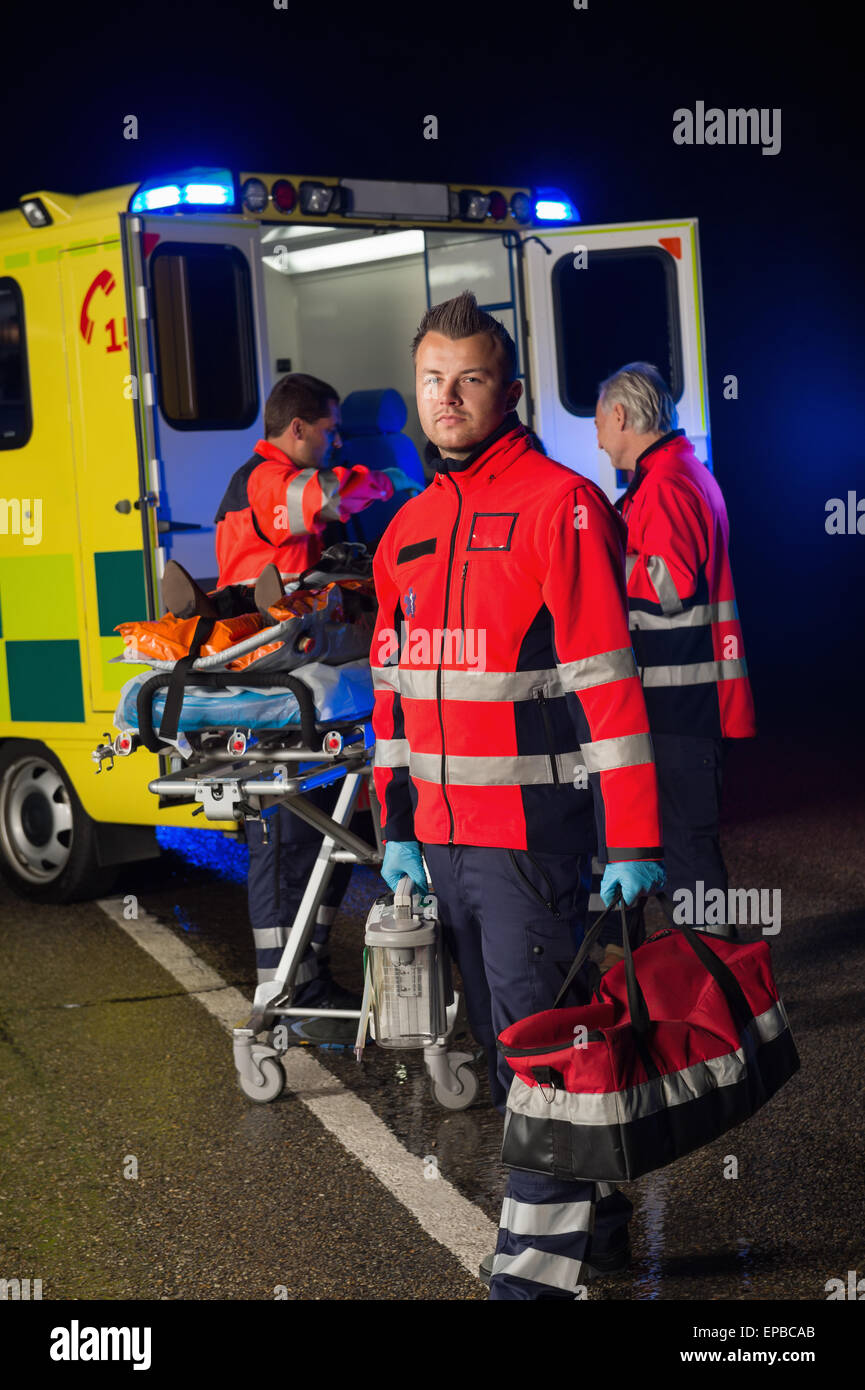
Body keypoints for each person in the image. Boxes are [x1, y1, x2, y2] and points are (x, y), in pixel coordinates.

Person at [370, 291, 666, 1300]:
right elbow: (391, 689)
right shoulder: (404, 529)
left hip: (531, 840)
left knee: (537, 1060)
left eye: (471, 379)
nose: (447, 398)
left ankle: (532, 1283)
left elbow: (608, 688)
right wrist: (395, 824)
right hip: (442, 845)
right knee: (515, 1061)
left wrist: (630, 837)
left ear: (510, 391)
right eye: (431, 379)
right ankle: (606, 1216)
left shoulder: (559, 504)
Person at [163, 373, 411, 1015]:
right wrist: (385, 480)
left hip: (292, 669)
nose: (332, 443)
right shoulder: (265, 478)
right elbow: (321, 498)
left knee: (326, 830)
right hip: (265, 672)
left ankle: (311, 973)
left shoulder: (262, 479)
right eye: (327, 432)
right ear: (296, 428)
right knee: (284, 837)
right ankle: (279, 988)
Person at [594, 362, 756, 945]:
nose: (597, 436)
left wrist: (598, 566)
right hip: (683, 703)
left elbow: (670, 585)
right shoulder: (671, 473)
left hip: (682, 706)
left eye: (598, 420)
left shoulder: (666, 482)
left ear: (619, 415)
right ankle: (706, 982)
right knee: (682, 852)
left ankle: (721, 988)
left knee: (689, 857)